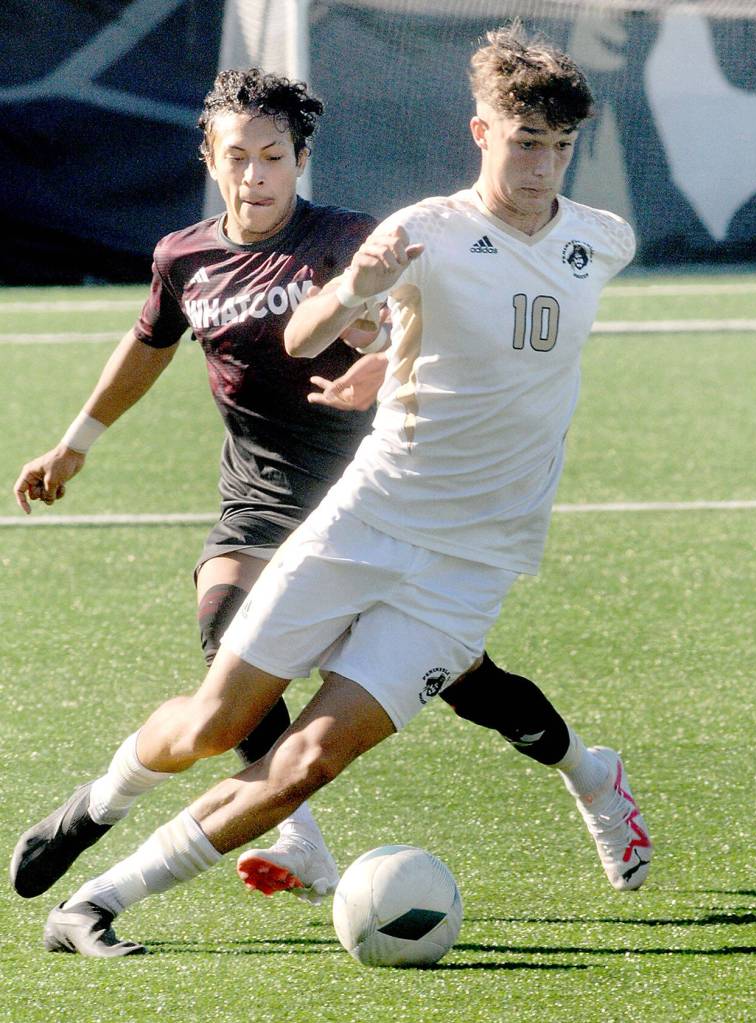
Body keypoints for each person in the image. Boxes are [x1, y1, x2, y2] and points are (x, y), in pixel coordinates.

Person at [10, 31, 652, 956]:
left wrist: (388, 361)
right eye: (523, 143)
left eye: (558, 146)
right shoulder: (419, 229)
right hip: (366, 519)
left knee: (305, 761)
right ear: (481, 133)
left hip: (469, 569)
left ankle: (95, 906)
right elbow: (306, 335)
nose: (540, 166)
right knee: (216, 721)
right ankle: (94, 808)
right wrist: (360, 289)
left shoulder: (604, 239)